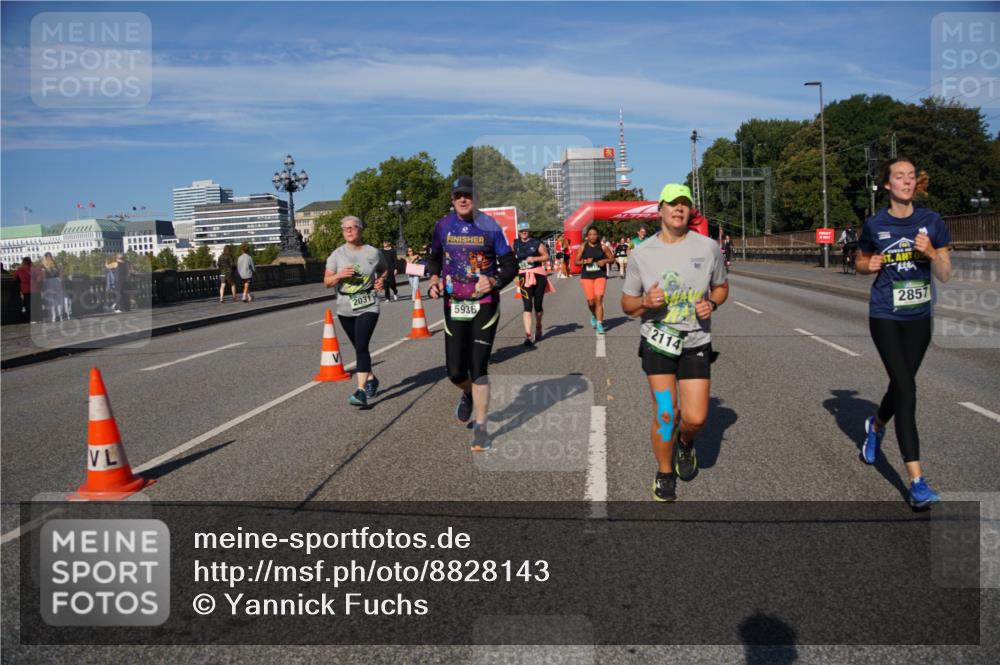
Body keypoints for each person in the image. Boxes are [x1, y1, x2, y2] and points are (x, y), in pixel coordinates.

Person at [621, 183, 729, 502]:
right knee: (667, 412)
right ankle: (665, 472)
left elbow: (721, 287)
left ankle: (685, 443)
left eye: (684, 203)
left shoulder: (708, 248)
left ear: (689, 210)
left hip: (695, 340)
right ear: (661, 211)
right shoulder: (642, 253)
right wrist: (645, 303)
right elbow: (627, 305)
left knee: (695, 418)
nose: (678, 208)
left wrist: (714, 303)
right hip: (657, 341)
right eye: (672, 203)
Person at [855, 158, 951, 509]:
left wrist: (931, 254)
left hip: (919, 318)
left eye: (911, 177)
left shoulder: (931, 222)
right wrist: (869, 266)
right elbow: (861, 262)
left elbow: (945, 274)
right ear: (887, 185)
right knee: (908, 392)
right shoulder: (875, 224)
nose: (907, 182)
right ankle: (917, 481)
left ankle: (876, 425)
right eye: (900, 177)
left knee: (901, 384)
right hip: (885, 316)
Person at [425, 176, 518, 451]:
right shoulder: (442, 225)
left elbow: (510, 263)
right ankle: (467, 393)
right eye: (458, 195)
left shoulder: (489, 226)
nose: (463, 199)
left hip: (485, 303)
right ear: (452, 199)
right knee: (455, 372)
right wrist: (433, 279)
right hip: (454, 304)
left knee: (478, 366)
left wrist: (495, 280)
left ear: (476, 198)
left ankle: (481, 428)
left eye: (468, 194)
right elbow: (434, 257)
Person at [324, 216, 388, 408]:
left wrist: (381, 279)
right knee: (359, 347)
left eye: (353, 227)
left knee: (361, 345)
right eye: (346, 228)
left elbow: (384, 269)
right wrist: (339, 275)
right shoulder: (336, 255)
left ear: (360, 230)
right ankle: (371, 378)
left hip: (368, 303)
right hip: (345, 307)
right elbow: (327, 282)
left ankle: (360, 391)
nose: (349, 231)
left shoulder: (373, 252)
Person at [513, 220, 551, 346]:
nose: (524, 233)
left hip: (538, 275)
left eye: (526, 231)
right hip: (524, 275)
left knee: (538, 305)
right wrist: (513, 274)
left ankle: (538, 325)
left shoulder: (536, 242)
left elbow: (546, 256)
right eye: (522, 231)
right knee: (527, 305)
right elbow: (510, 258)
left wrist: (534, 258)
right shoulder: (515, 243)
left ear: (529, 231)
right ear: (518, 232)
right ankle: (528, 335)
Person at [575, 226, 615, 334]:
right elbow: (576, 262)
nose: (592, 236)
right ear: (587, 236)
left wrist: (605, 261)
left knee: (599, 299)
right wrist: (585, 261)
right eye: (590, 234)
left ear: (598, 235)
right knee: (591, 302)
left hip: (600, 275)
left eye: (594, 234)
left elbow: (612, 259)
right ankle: (594, 315)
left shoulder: (603, 247)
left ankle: (599, 323)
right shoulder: (583, 247)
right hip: (587, 276)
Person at [41, 252, 68, 322]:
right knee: (59, 299)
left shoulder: (43, 266)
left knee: (51, 301)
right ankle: (60, 315)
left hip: (49, 283)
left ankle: (54, 316)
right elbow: (61, 275)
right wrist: (62, 283)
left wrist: (43, 286)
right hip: (58, 281)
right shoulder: (56, 265)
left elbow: (43, 277)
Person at [13, 257, 40, 323]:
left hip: (26, 290)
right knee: (36, 305)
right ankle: (37, 319)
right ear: (30, 262)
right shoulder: (34, 269)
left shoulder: (20, 270)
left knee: (28, 305)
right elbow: (41, 276)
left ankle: (31, 319)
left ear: (23, 262)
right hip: (35, 289)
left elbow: (14, 278)